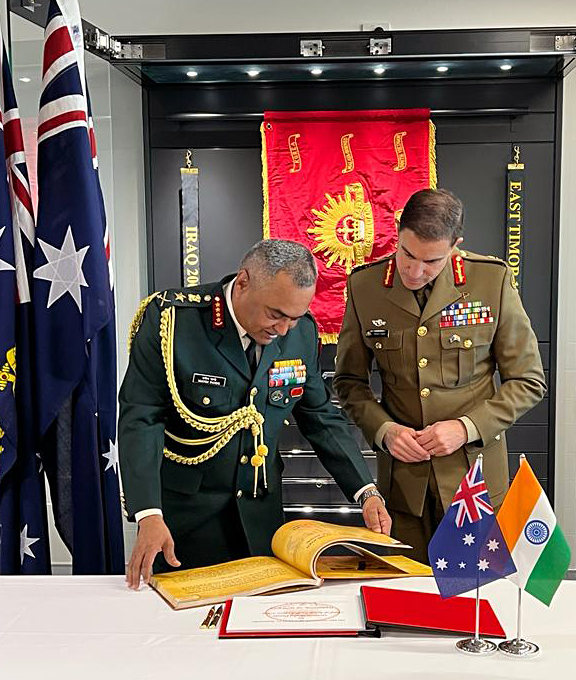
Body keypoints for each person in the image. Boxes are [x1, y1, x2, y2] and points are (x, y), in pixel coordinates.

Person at [119, 239, 390, 588]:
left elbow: (320, 417)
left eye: (293, 318)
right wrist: (148, 514)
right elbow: (142, 417)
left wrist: (365, 491)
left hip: (260, 516)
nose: (282, 330)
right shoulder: (173, 321)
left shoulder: (300, 332)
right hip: (184, 519)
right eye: (275, 314)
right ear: (244, 282)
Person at [333, 188, 546, 563]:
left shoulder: (489, 280)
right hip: (403, 484)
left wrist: (466, 427)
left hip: (473, 480)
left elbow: (528, 381)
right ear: (397, 235)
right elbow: (349, 383)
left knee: (474, 600)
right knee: (405, 602)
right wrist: (384, 431)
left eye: (431, 261)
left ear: (455, 247)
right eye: (407, 254)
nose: (415, 271)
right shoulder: (365, 286)